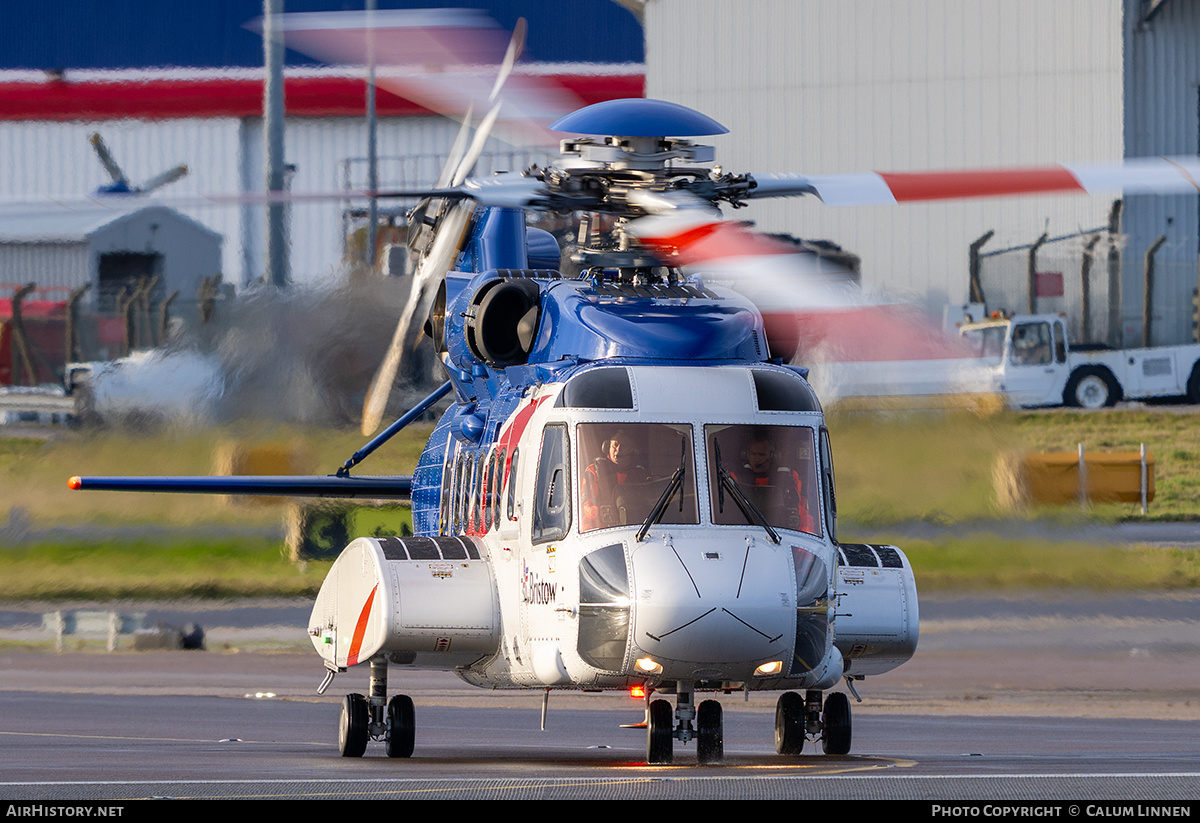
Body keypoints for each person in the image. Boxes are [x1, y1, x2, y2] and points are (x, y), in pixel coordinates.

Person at [731, 430, 816, 534]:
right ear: (746, 454)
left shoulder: (789, 477)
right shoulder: (735, 477)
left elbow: (800, 510)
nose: (756, 459)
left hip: (781, 532)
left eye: (762, 455)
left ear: (773, 455)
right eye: (753, 454)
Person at [581, 429, 648, 531]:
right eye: (615, 445)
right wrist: (602, 513)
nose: (618, 450)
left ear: (632, 450)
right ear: (608, 446)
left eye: (624, 445)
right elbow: (585, 505)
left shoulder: (641, 474)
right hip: (598, 528)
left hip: (632, 528)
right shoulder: (594, 470)